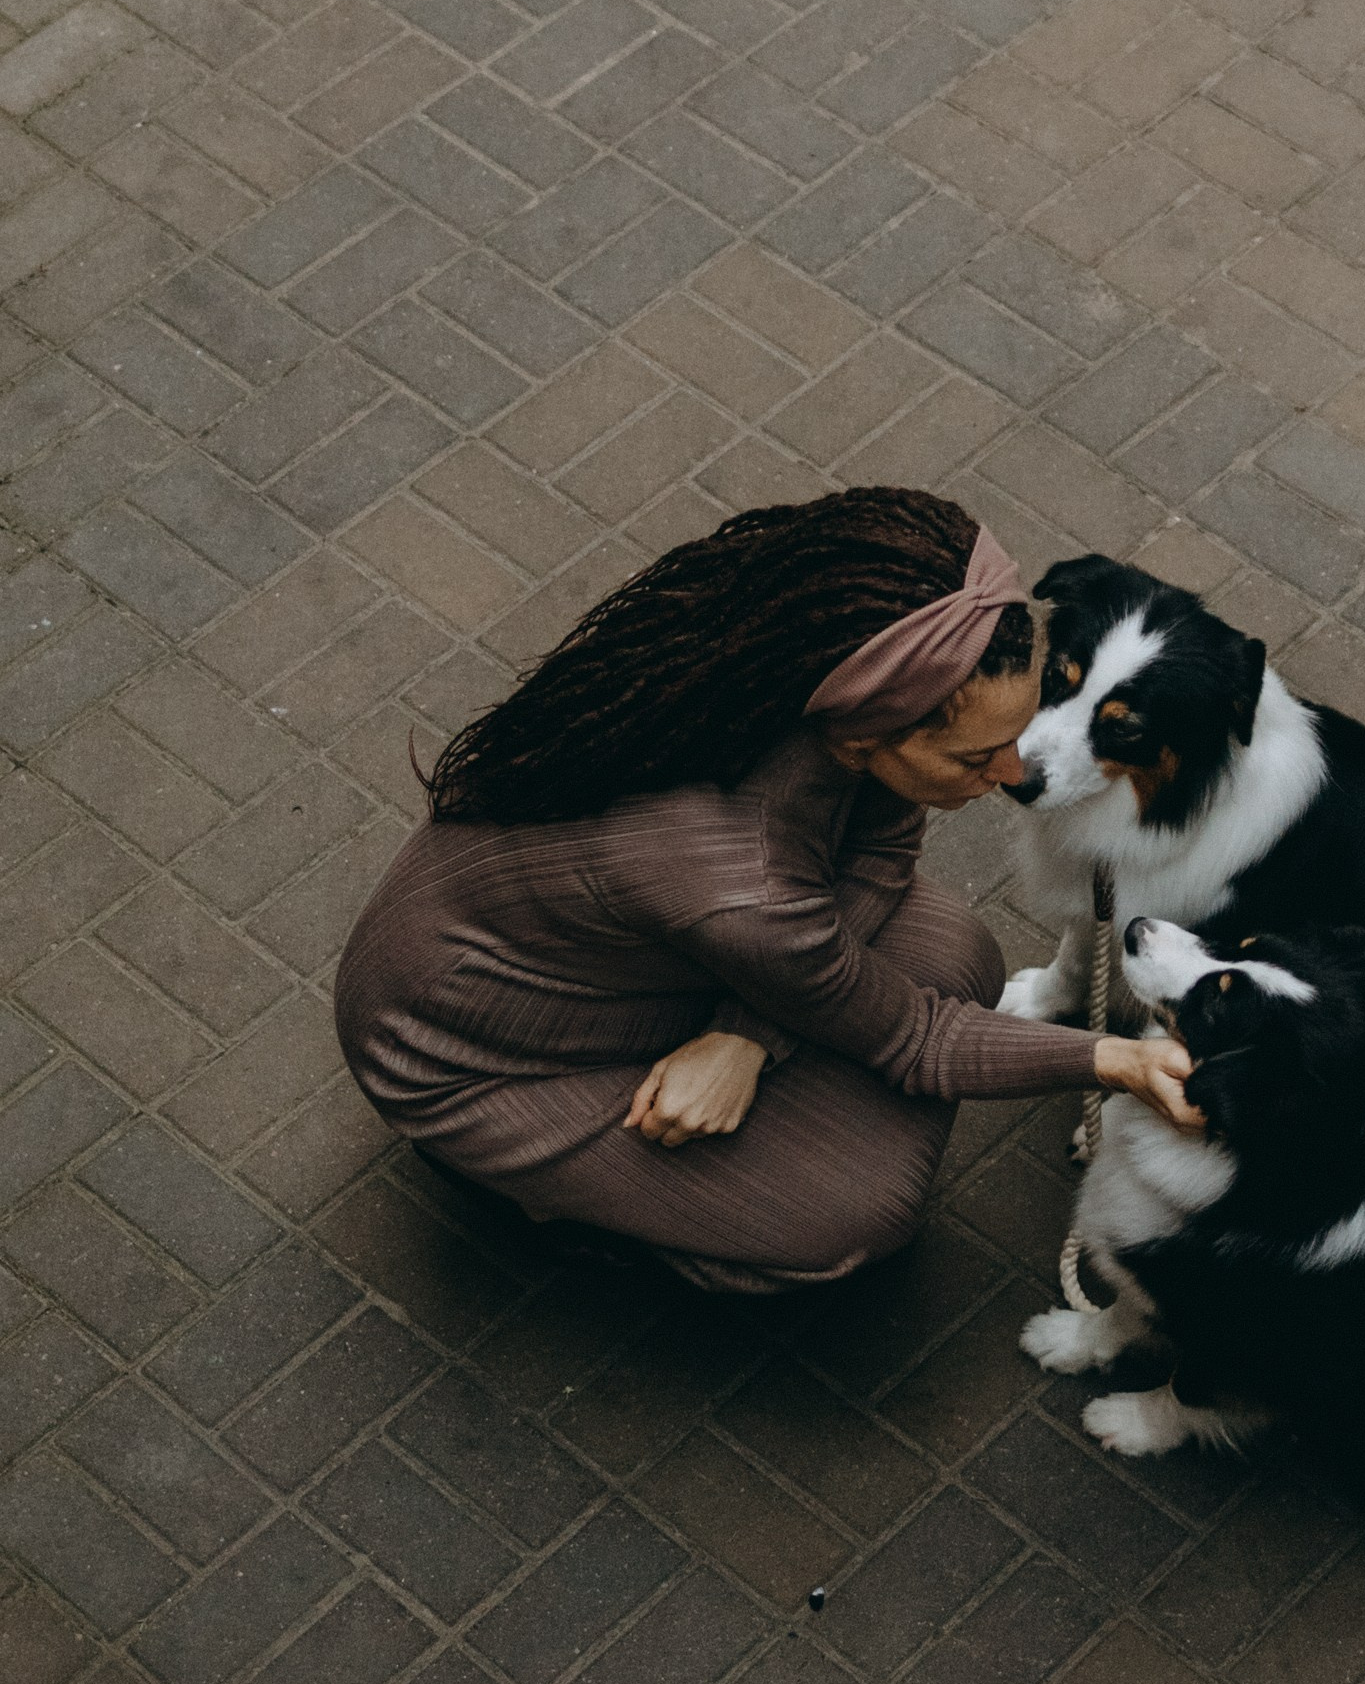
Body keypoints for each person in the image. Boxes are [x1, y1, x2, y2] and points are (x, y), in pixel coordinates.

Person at [335, 487, 1197, 1292]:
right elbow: (917, 1039)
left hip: (633, 955)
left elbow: (878, 858)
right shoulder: (737, 883)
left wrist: (747, 1034)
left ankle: (744, 1079)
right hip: (471, 1060)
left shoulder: (808, 690)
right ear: (865, 736)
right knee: (863, 1210)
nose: (1011, 774)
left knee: (956, 951)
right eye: (975, 759)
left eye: (1015, 733)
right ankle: (566, 1206)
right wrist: (1119, 1060)